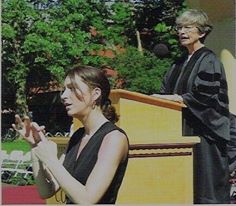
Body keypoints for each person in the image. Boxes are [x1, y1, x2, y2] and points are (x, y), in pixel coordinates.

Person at [12, 65, 129, 204]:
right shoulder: (77, 136)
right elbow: (46, 191)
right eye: (65, 89)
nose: (63, 96)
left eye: (72, 88)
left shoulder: (114, 138)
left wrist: (50, 159)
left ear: (96, 94)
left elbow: (87, 199)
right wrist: (36, 146)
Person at [152, 9, 230, 204]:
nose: (182, 32)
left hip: (205, 133)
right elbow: (164, 93)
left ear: (202, 32)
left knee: (204, 188)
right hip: (179, 132)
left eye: (188, 27)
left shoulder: (209, 60)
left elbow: (204, 97)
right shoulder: (178, 63)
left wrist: (174, 99)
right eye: (179, 27)